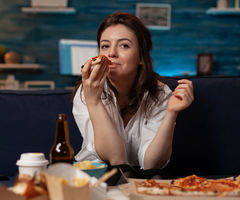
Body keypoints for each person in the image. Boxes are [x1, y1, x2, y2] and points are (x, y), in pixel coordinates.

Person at [72, 12, 193, 170]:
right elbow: (116, 159)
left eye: (124, 45)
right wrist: (94, 102)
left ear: (141, 57)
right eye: (105, 46)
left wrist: (171, 113)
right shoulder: (86, 91)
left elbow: (151, 164)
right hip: (94, 178)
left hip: (143, 181)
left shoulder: (161, 94)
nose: (111, 53)